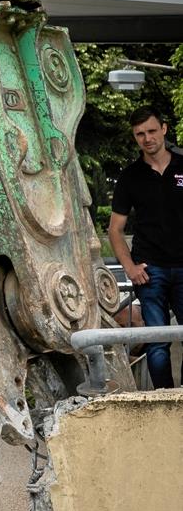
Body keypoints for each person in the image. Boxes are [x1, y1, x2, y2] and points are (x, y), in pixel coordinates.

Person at [108, 108, 183, 389]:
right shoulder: (130, 177)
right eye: (140, 134)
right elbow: (115, 230)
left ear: (164, 129)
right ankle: (164, 400)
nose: (147, 138)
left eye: (152, 131)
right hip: (150, 272)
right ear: (135, 137)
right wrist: (129, 267)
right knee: (158, 342)